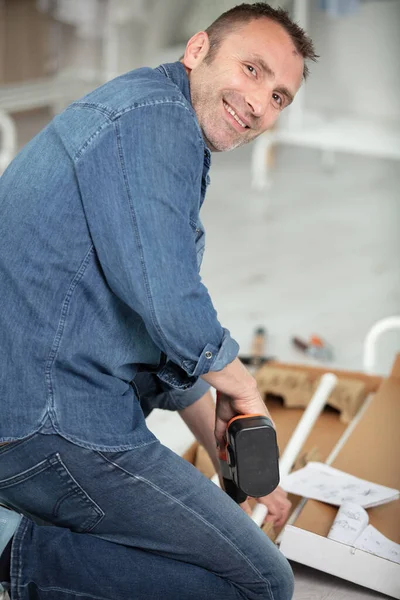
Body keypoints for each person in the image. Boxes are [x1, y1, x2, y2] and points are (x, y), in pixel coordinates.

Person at [0, 3, 317, 599]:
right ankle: (16, 550)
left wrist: (221, 445)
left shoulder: (144, 116)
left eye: (279, 97)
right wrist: (242, 387)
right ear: (198, 50)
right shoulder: (154, 119)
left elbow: (148, 324)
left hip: (36, 409)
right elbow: (170, 300)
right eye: (252, 70)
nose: (259, 103)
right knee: (261, 584)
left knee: (219, 558)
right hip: (45, 426)